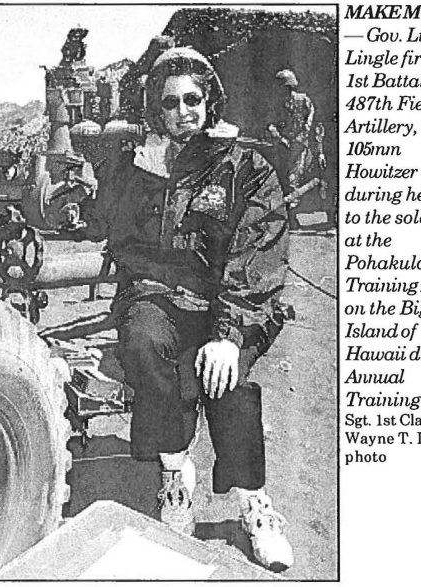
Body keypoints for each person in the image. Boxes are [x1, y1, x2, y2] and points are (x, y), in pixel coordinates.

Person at [105, 48, 294, 572]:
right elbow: (122, 245)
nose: (184, 109)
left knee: (224, 379)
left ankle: (253, 501)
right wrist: (140, 175)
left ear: (209, 101)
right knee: (143, 344)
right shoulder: (140, 168)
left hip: (229, 301)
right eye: (171, 102)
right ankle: (174, 473)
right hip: (160, 295)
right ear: (157, 110)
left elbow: (257, 250)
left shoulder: (246, 166)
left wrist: (230, 333)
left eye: (193, 98)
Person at [269, 69, 318, 230]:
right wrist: (279, 138)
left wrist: (299, 141)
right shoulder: (277, 104)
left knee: (293, 180)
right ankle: (285, 217)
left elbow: (309, 122)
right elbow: (270, 124)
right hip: (281, 147)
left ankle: (291, 217)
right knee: (281, 181)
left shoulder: (304, 101)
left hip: (298, 148)